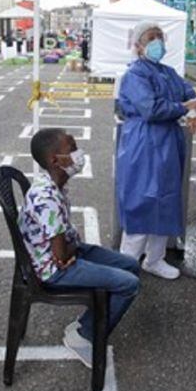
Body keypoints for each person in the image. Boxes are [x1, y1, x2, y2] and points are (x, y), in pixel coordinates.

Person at [19, 128, 141, 368]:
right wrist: (70, 253)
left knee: (131, 265)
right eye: (72, 149)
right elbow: (61, 256)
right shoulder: (46, 198)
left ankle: (88, 322)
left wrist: (73, 250)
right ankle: (85, 336)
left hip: (70, 250)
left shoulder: (55, 185)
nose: (79, 154)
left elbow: (65, 243)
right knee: (129, 285)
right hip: (54, 268)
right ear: (55, 160)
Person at [116, 22, 196, 280]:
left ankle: (155, 259)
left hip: (167, 143)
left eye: (160, 37)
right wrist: (185, 107)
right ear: (138, 45)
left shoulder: (168, 71)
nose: (157, 42)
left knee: (165, 199)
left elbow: (189, 92)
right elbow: (151, 109)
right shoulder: (134, 74)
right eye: (151, 38)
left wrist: (195, 106)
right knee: (141, 200)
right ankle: (126, 262)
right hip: (143, 144)